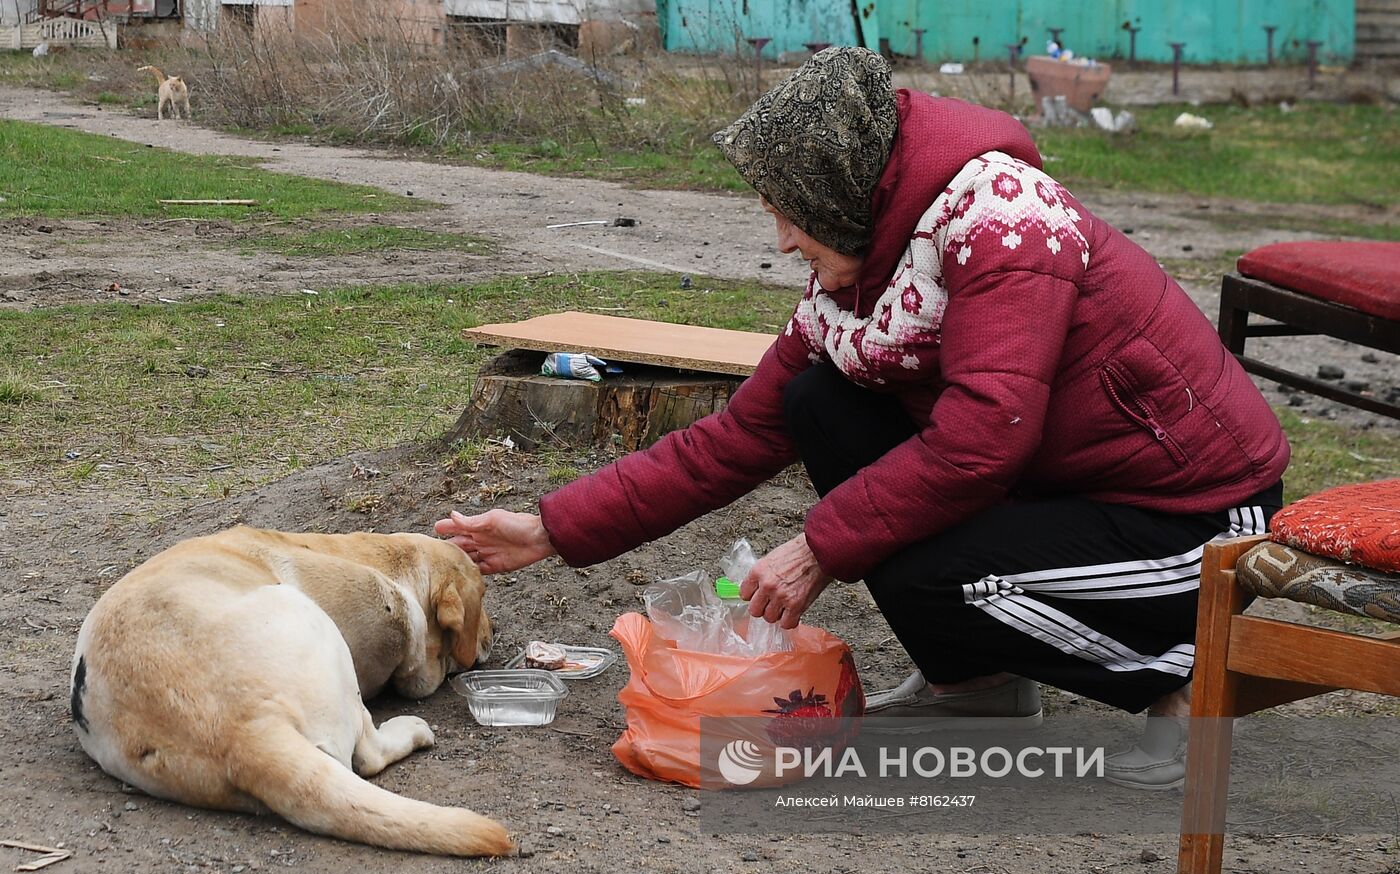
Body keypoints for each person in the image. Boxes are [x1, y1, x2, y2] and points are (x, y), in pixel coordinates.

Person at [435, 47, 1288, 789]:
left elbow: (987, 438)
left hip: (1193, 523)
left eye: (787, 211)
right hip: (1068, 491)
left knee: (921, 564)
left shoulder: (1004, 221)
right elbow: (733, 439)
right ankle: (979, 686)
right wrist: (549, 527)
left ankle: (1177, 681)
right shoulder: (866, 275)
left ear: (839, 190)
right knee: (818, 404)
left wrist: (817, 545)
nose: (779, 240)